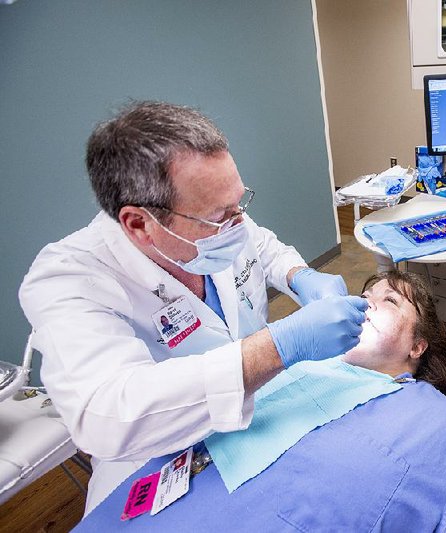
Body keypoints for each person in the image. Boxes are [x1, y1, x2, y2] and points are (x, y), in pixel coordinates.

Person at [18, 101, 368, 514]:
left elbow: (263, 247)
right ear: (139, 223)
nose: (237, 220)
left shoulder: (220, 218)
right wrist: (279, 346)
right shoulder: (67, 279)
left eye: (240, 202)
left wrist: (298, 276)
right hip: (159, 457)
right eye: (221, 214)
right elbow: (109, 413)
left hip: (261, 418)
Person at [76, 271, 446, 531]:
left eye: (388, 301)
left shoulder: (442, 425)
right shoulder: (285, 370)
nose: (365, 303)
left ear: (417, 347)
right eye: (363, 295)